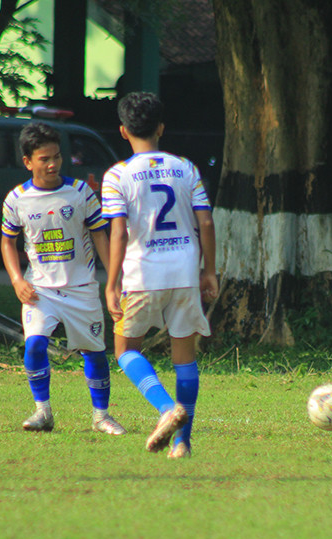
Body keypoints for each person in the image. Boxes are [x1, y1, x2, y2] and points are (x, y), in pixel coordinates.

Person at [102, 92, 218, 459]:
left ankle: (167, 409)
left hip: (142, 275)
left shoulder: (117, 175)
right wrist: (209, 270)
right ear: (161, 128)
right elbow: (206, 221)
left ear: (123, 131)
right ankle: (182, 444)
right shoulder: (185, 167)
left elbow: (118, 232)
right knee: (184, 358)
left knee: (124, 350)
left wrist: (111, 282)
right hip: (184, 270)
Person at [2, 122, 125, 435]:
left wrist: (113, 282)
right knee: (35, 345)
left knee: (95, 352)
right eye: (44, 159)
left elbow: (101, 236)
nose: (53, 164)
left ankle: (101, 417)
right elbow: (8, 241)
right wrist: (17, 279)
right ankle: (42, 411)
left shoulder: (81, 192)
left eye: (56, 156)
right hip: (40, 289)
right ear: (28, 162)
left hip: (81, 288)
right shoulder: (16, 200)